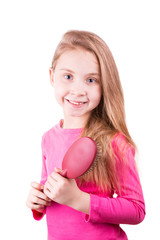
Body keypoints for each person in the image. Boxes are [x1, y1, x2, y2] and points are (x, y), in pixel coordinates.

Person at [26, 30, 145, 240]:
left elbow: (136, 210)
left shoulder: (113, 142)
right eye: (68, 76)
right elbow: (50, 189)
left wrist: (79, 200)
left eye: (91, 80)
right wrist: (39, 200)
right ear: (52, 76)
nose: (78, 90)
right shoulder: (48, 138)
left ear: (104, 85)